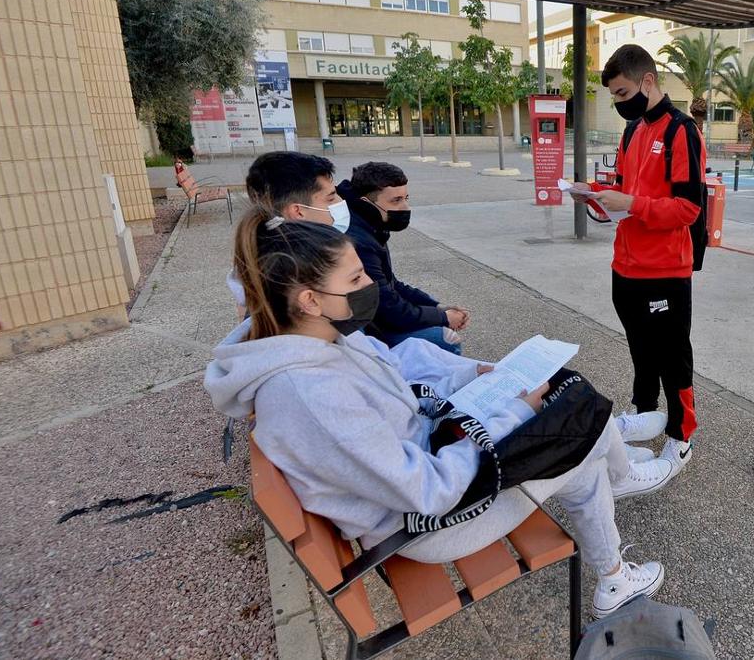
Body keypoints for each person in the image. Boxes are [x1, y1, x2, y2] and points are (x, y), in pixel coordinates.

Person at [204, 208, 679, 617]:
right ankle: (615, 546)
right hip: (427, 524)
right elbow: (426, 489)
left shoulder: (310, 340)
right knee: (581, 438)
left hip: (432, 462)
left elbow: (399, 370)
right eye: (355, 280)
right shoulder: (308, 393)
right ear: (309, 300)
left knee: (565, 393)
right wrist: (511, 412)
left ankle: (614, 558)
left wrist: (481, 375)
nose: (371, 285)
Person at [576, 44, 707, 474]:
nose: (618, 102)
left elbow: (688, 209)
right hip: (625, 266)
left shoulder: (681, 131)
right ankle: (645, 413)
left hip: (665, 270)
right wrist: (596, 196)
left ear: (647, 82)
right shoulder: (632, 131)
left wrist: (630, 202)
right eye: (613, 94)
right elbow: (626, 191)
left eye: (621, 92)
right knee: (640, 349)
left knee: (673, 355)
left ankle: (681, 435)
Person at [337, 162, 468, 354]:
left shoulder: (370, 225)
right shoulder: (359, 240)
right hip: (372, 329)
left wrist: (437, 306)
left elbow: (391, 283)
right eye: (396, 200)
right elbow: (387, 307)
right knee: (447, 339)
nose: (405, 207)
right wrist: (443, 318)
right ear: (367, 203)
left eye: (406, 198)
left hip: (378, 319)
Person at [227, 151, 345, 317]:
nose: (341, 203)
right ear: (297, 211)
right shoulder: (296, 275)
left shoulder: (258, 255)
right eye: (331, 198)